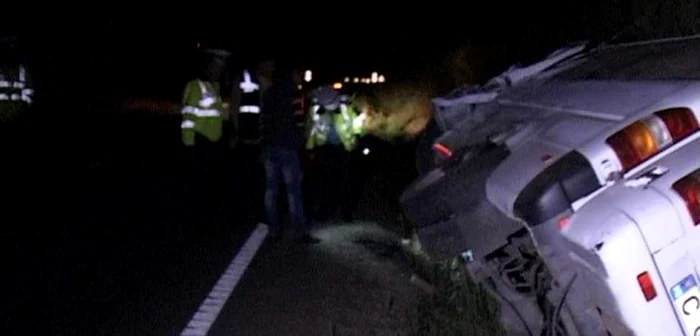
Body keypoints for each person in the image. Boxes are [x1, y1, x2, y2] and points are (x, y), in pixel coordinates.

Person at [260, 65, 318, 244]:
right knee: (293, 191)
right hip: (288, 147)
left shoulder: (269, 93)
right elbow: (300, 121)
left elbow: (263, 120)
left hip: (270, 147)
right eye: (300, 74)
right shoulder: (294, 93)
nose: (302, 78)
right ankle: (299, 232)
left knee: (271, 191)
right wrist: (302, 142)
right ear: (293, 74)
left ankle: (273, 231)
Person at [180, 47, 230, 237]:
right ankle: (197, 225)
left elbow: (219, 116)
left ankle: (207, 224)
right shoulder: (195, 86)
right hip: (199, 145)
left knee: (210, 188)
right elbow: (188, 119)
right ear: (207, 68)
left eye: (220, 69)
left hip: (212, 145)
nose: (218, 72)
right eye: (215, 68)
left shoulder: (215, 89)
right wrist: (189, 146)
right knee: (198, 188)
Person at [305, 85, 365, 222]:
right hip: (325, 149)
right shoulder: (315, 109)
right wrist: (310, 149)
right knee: (326, 183)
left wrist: (357, 136)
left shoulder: (347, 108)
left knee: (346, 183)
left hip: (345, 149)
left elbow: (359, 128)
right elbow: (311, 130)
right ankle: (326, 210)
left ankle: (346, 213)